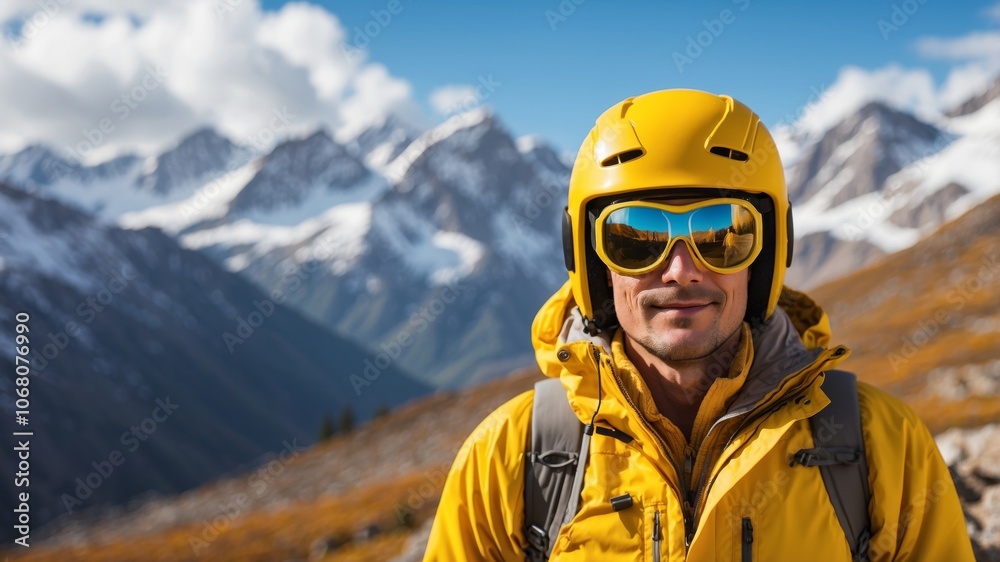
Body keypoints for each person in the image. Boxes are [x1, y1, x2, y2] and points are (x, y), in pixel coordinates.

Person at [422, 89, 975, 561]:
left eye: (721, 234)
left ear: (766, 256)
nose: (681, 270)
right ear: (592, 262)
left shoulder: (883, 447)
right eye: (635, 238)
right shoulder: (510, 456)